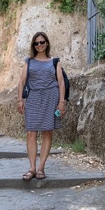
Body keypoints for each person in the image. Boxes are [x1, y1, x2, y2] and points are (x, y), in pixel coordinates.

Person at [17, 31, 66, 180]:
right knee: (31, 133)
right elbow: (21, 81)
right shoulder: (29, 61)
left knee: (47, 132)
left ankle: (41, 168)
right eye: (36, 43)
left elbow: (61, 82)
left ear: (47, 43)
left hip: (51, 97)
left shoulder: (55, 61)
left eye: (42, 42)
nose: (39, 45)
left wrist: (61, 102)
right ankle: (32, 168)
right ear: (33, 45)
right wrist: (20, 100)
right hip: (33, 97)